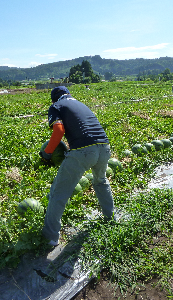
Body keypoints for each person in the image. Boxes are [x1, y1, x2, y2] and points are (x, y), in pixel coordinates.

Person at [39, 86, 114, 246]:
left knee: (58, 193)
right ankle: (110, 218)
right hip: (104, 147)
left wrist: (47, 153)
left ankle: (50, 237)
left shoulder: (56, 106)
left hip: (84, 151)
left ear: (54, 99)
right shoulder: (80, 104)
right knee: (101, 181)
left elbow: (58, 130)